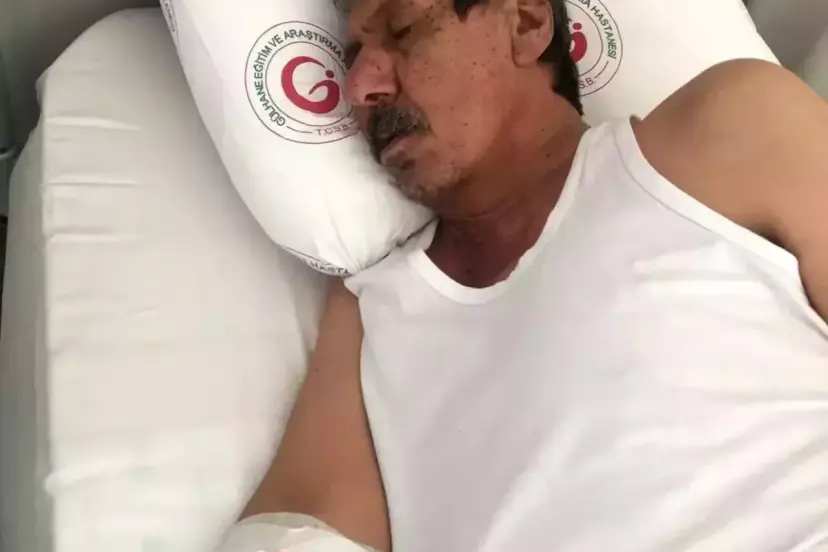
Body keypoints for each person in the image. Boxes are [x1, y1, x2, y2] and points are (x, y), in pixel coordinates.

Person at [234, 0, 828, 549]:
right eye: (353, 58)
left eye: (405, 30)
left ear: (525, 24)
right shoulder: (372, 312)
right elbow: (297, 533)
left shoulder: (729, 130)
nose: (362, 86)